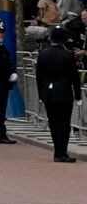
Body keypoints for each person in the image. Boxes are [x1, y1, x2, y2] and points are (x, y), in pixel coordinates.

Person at [35, 27, 80, 162]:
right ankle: (61, 152)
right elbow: (74, 77)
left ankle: (57, 150)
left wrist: (41, 94)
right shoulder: (67, 55)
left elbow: (39, 77)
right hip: (64, 93)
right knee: (64, 124)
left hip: (48, 93)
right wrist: (78, 95)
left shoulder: (43, 54)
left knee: (54, 123)